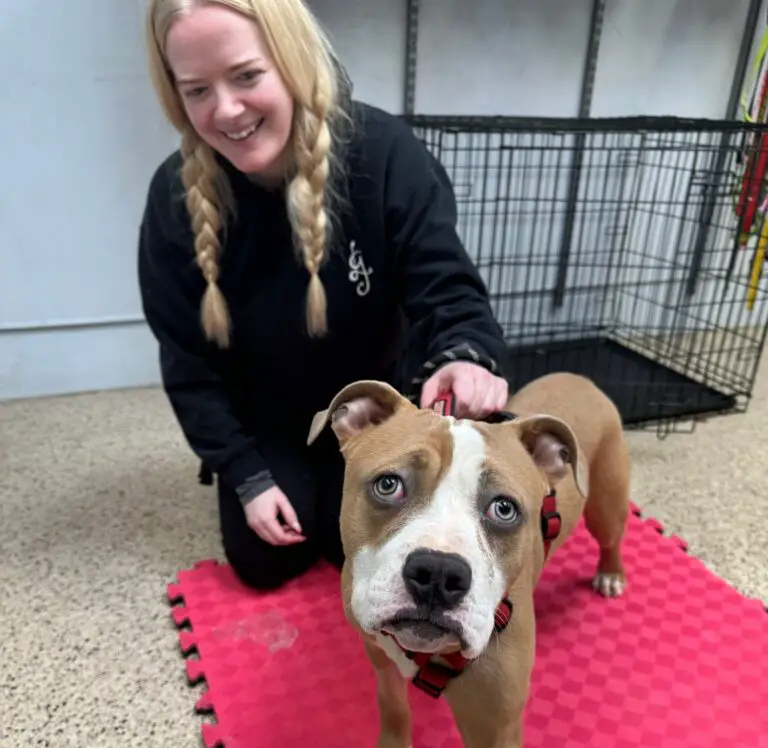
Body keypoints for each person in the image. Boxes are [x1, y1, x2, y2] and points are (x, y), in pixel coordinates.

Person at [138, 0, 510, 591]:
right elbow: (187, 363)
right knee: (264, 562)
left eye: (247, 75)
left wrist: (465, 352)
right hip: (270, 420)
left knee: (365, 554)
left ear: (292, 60)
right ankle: (290, 477)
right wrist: (247, 476)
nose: (226, 109)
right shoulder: (173, 201)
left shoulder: (384, 152)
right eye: (196, 90)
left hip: (381, 408)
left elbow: (445, 282)